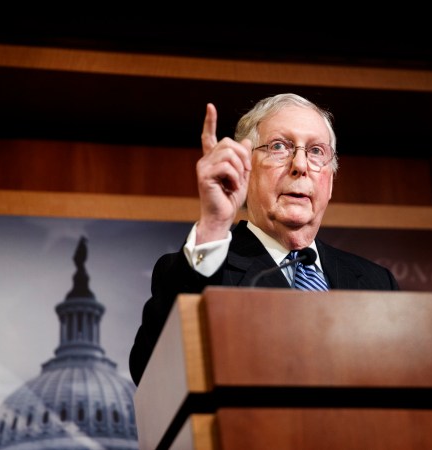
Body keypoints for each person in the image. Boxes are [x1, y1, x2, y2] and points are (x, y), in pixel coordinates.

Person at [129, 93, 400, 385]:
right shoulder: (204, 272)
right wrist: (214, 226)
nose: (300, 164)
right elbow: (152, 372)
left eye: (317, 151)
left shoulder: (376, 283)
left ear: (330, 182)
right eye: (279, 147)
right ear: (246, 170)